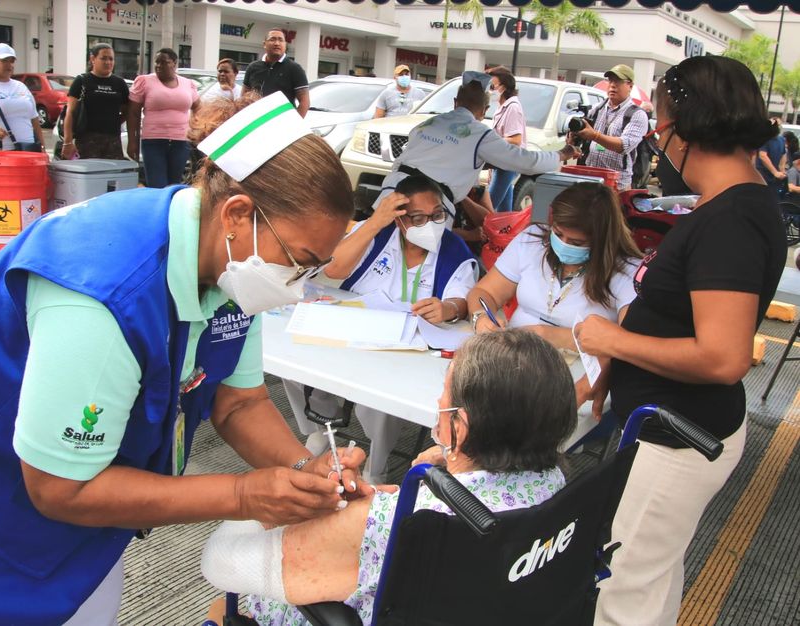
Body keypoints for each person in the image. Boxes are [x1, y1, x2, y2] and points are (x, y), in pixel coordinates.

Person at [0, 92, 372, 626]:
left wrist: (304, 469)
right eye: (300, 263)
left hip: (93, 525)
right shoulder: (102, 295)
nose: (297, 285)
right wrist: (244, 494)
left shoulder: (235, 263)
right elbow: (60, 488)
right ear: (238, 214)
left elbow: (239, 402)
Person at [575, 56, 787, 626]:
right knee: (651, 577)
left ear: (687, 130)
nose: (659, 143)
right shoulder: (731, 204)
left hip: (678, 436)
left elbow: (724, 357)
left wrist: (615, 343)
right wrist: (615, 375)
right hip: (668, 423)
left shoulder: (730, 221)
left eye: (661, 128)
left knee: (622, 591)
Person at [201, 329, 575, 626]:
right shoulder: (558, 483)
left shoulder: (398, 519)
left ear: (458, 426)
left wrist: (298, 502)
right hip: (493, 605)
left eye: (443, 397)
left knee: (220, 608)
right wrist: (431, 469)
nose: (437, 405)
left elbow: (222, 561)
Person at [284, 175, 478, 483]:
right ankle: (320, 429)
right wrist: (375, 221)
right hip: (356, 330)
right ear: (399, 218)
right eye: (417, 217)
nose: (431, 224)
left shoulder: (452, 249)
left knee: (378, 397)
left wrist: (449, 308)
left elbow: (463, 298)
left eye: (437, 214)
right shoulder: (377, 234)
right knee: (293, 363)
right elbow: (334, 268)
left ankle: (379, 461)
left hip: (404, 349)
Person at [467, 182, 640, 407]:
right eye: (557, 234)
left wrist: (548, 335)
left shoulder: (627, 271)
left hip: (580, 374)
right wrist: (481, 318)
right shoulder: (532, 241)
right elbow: (484, 292)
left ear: (602, 240)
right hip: (512, 363)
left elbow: (629, 343)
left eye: (577, 243)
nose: (564, 245)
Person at [372, 72, 579, 226]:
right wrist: (563, 153)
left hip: (391, 193)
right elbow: (527, 161)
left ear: (455, 102)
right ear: (485, 110)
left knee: (378, 251)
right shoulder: (480, 134)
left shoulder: (428, 123)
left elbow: (440, 155)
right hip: (427, 206)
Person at [127, 48, 200, 188]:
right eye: (156, 62)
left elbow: (198, 107)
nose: (159, 65)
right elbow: (133, 113)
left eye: (164, 62)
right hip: (153, 142)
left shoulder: (187, 83)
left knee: (174, 185)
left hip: (180, 142)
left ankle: (170, 210)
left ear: (174, 63)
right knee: (157, 185)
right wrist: (133, 141)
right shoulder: (144, 81)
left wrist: (194, 130)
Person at [572, 64, 650, 191]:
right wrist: (575, 139)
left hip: (617, 185)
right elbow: (585, 135)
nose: (613, 85)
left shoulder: (637, 115)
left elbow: (623, 146)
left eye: (618, 81)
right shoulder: (597, 108)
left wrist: (595, 136)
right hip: (590, 181)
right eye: (611, 81)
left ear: (630, 86)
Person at [61, 43, 131, 160]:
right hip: (86, 139)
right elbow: (70, 113)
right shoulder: (82, 81)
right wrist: (67, 142)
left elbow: (127, 111)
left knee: (111, 176)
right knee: (89, 175)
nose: (108, 62)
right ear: (93, 59)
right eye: (103, 58)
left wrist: (112, 122)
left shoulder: (120, 83)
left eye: (111, 59)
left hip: (112, 139)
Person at [486, 66, 527, 212]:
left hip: (509, 162)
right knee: (504, 209)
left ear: (504, 87)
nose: (489, 90)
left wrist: (490, 142)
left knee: (488, 206)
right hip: (502, 162)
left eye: (492, 86)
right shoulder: (502, 107)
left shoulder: (513, 107)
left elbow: (516, 139)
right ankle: (506, 232)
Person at [242, 28, 309, 117]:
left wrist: (294, 125)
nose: (277, 43)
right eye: (272, 39)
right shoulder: (253, 67)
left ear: (285, 44)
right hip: (256, 122)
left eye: (280, 40)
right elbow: (243, 97)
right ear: (264, 44)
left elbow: (304, 101)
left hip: (281, 123)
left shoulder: (295, 69)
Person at [756, 116, 787, 196]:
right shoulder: (765, 139)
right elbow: (762, 155)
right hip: (762, 174)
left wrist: (782, 171)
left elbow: (783, 156)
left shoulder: (781, 140)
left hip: (773, 178)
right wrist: (775, 172)